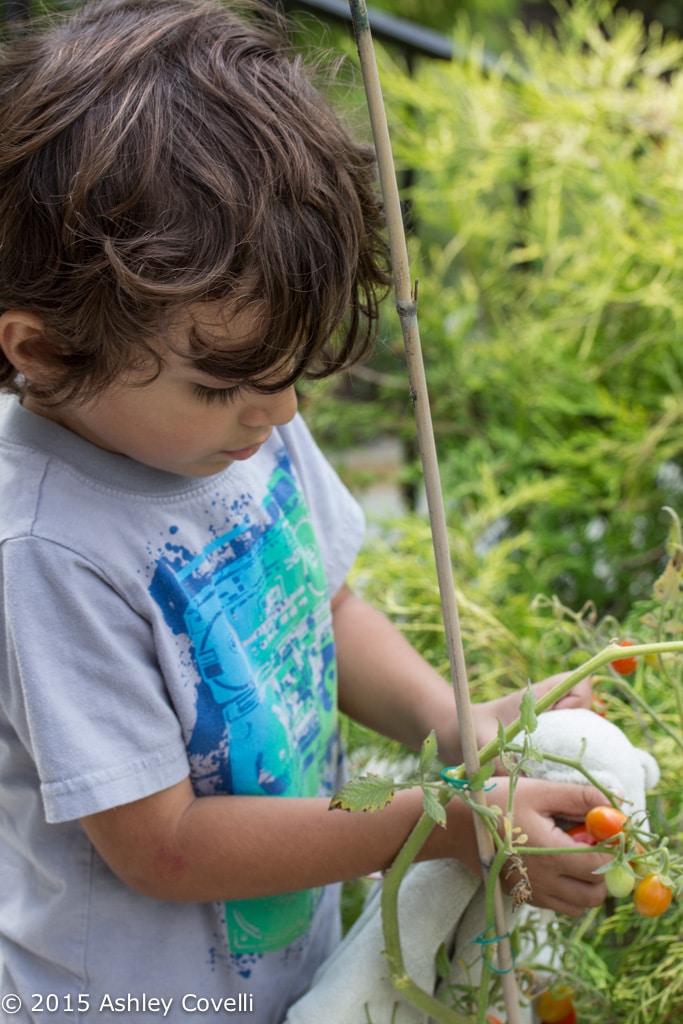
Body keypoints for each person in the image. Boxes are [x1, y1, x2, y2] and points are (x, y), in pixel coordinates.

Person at [0, 1, 609, 1020]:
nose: (280, 411)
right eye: (229, 382)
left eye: (291, 375)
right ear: (47, 352)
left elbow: (320, 602)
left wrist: (449, 724)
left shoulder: (228, 413)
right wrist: (444, 821)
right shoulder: (46, 544)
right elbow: (166, 843)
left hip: (284, 967)